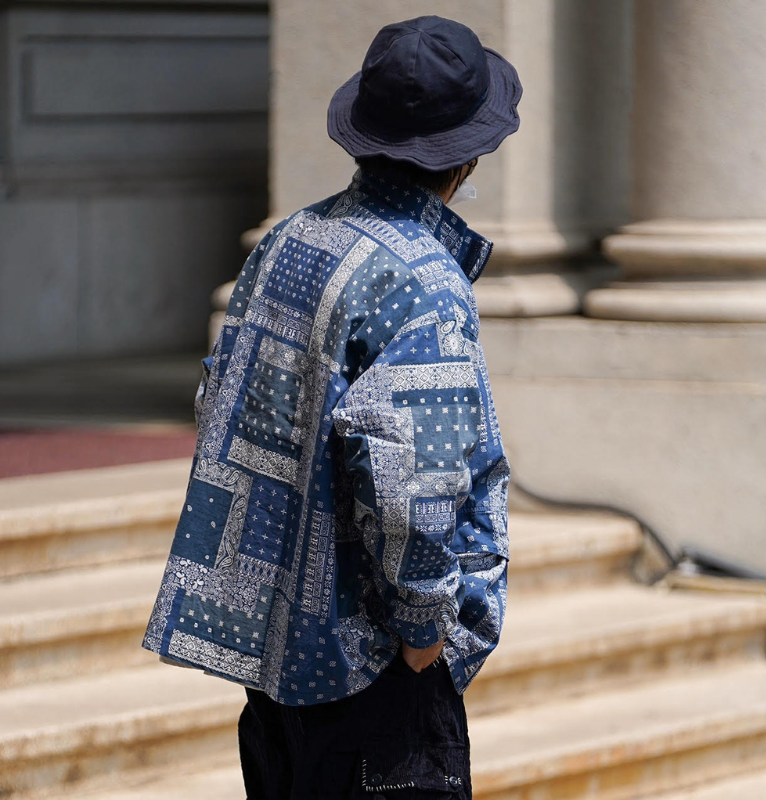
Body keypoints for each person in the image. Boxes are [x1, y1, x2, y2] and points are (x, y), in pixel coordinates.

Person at [142, 14, 522, 799]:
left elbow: (220, 405)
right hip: (374, 675)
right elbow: (412, 488)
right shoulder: (425, 281)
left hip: (279, 669)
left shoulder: (289, 240)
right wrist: (423, 629)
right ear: (468, 157)